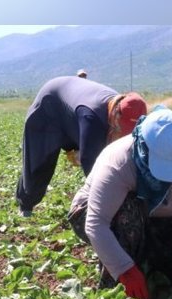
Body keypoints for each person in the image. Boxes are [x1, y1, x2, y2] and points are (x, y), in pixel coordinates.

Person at [68, 107, 172, 299]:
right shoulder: (119, 161)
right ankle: (114, 284)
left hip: (152, 219)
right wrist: (125, 271)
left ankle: (149, 268)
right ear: (145, 146)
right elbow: (96, 224)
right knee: (129, 211)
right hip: (93, 215)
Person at [16, 76, 147, 216]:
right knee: (40, 162)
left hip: (71, 113)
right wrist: (113, 198)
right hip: (49, 106)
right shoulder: (92, 117)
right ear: (115, 117)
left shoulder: (127, 110)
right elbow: (92, 165)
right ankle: (26, 206)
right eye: (122, 131)